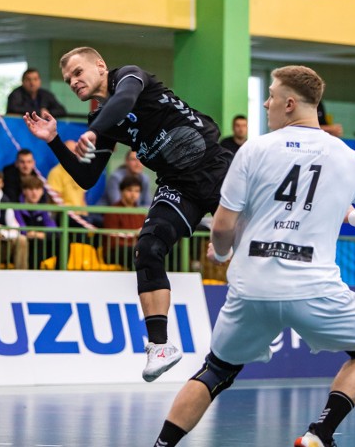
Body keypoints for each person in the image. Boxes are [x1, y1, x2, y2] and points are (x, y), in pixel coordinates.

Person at [151, 64, 355, 447]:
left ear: (290, 103)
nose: (267, 102)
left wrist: (221, 254)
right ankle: (319, 433)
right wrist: (354, 216)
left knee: (215, 370)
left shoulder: (253, 149)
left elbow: (222, 227)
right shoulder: (350, 158)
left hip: (251, 289)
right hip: (315, 289)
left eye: (270, 95)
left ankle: (161, 446)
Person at [24, 46, 233, 382]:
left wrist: (92, 132)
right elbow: (87, 177)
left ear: (100, 66)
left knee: (258, 246)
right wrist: (54, 141)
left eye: (78, 73)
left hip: (216, 169)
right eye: (67, 80)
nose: (73, 82)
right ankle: (160, 346)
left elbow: (122, 102)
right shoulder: (100, 121)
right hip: (177, 185)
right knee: (148, 248)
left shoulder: (130, 77)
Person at [14, 175, 59, 269]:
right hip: (24, 246)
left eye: (37, 189)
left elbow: (52, 228)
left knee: (61, 241)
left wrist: (38, 234)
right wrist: (37, 234)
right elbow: (22, 230)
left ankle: (61, 273)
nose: (34, 193)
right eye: (31, 189)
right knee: (37, 242)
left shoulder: (44, 208)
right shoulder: (17, 208)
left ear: (42, 191)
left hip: (41, 243)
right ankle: (33, 274)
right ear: (24, 191)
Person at [102, 175, 146, 266]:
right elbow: (112, 240)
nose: (133, 194)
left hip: (135, 251)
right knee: (134, 252)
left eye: (137, 191)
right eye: (129, 190)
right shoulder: (112, 211)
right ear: (121, 191)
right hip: (114, 252)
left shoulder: (141, 214)